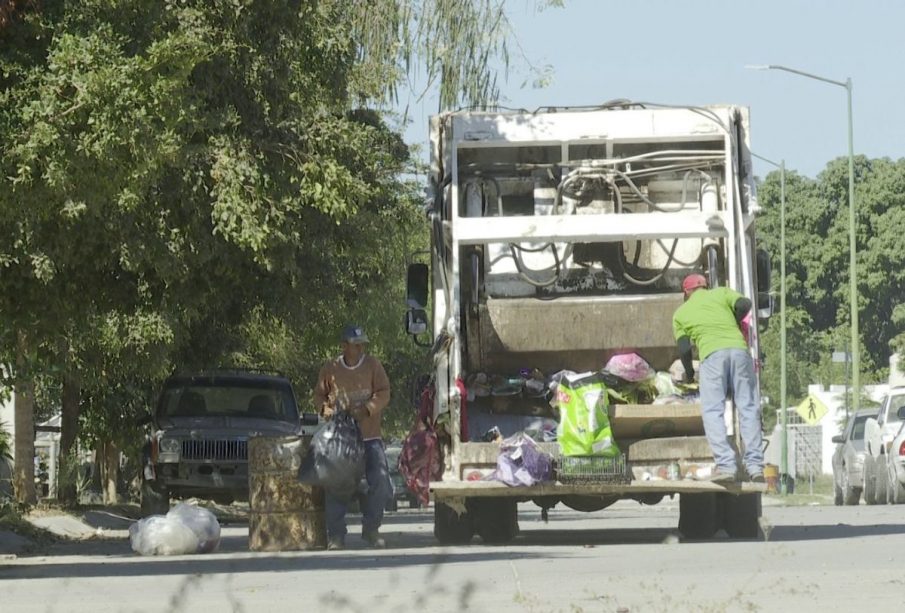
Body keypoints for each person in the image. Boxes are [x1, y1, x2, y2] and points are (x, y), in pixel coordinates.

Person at [672, 274, 765, 483]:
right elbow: (745, 303)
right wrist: (733, 320)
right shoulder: (721, 293)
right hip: (740, 352)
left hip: (712, 357)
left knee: (713, 411)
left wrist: (688, 373)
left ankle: (726, 466)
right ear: (706, 286)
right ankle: (755, 466)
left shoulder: (681, 313)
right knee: (748, 407)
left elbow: (684, 348)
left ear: (686, 293)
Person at [313, 324, 392, 549]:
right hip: (341, 440)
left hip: (369, 437)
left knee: (381, 481)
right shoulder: (331, 368)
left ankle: (371, 529)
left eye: (361, 345)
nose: (360, 348)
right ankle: (336, 535)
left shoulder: (373, 365)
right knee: (336, 486)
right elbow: (319, 395)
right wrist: (323, 409)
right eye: (355, 345)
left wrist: (367, 408)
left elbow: (384, 392)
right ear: (344, 346)